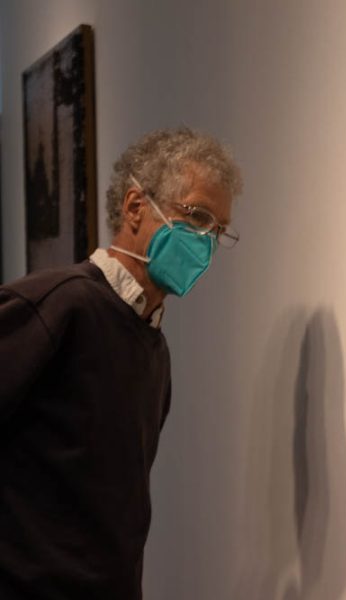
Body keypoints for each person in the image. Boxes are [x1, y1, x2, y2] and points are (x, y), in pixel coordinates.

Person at [0, 128, 242, 599]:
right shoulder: (57, 305)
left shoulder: (153, 345)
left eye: (217, 230)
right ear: (135, 206)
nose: (206, 243)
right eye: (196, 217)